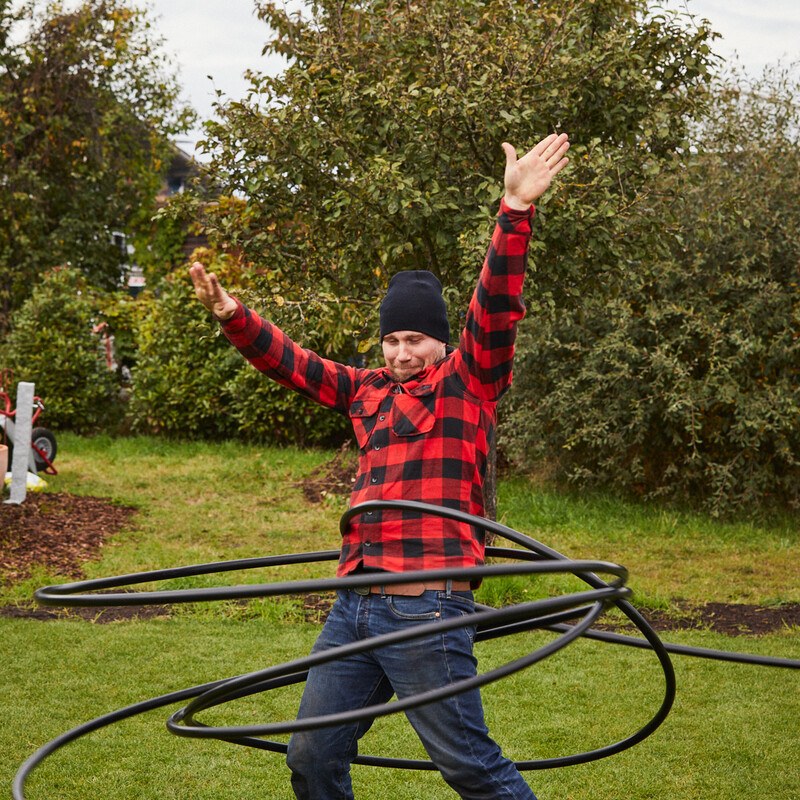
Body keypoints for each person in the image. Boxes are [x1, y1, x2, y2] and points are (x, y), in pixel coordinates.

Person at [190, 132, 570, 800]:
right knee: (310, 756)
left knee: (469, 766)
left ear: (441, 342)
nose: (399, 352)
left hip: (427, 607)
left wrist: (513, 213)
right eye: (391, 339)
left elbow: (496, 308)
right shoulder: (366, 390)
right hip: (355, 604)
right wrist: (233, 316)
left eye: (414, 339)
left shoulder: (468, 383)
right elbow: (296, 363)